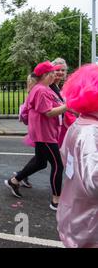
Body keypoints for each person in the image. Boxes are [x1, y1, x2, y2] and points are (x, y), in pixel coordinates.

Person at [4, 61, 67, 211]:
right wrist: (69, 106)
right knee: (58, 165)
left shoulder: (45, 89)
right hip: (44, 134)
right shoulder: (41, 90)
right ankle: (56, 200)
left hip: (46, 133)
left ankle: (14, 180)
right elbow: (49, 112)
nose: (55, 75)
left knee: (40, 163)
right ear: (46, 75)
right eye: (53, 73)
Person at [56, 64, 98, 248]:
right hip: (89, 221)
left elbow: (67, 158)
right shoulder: (92, 133)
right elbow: (94, 181)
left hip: (76, 213)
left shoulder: (80, 124)